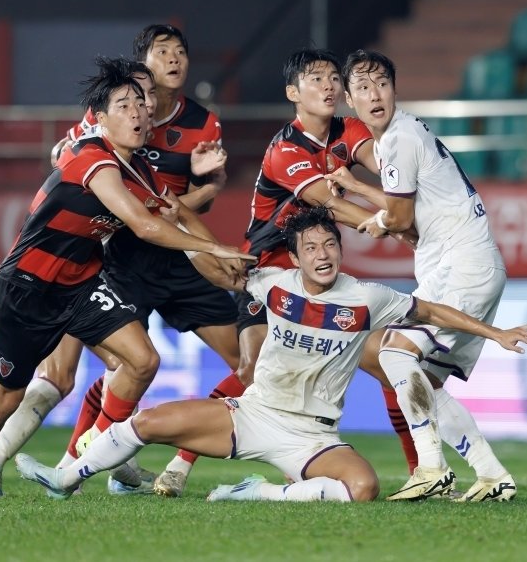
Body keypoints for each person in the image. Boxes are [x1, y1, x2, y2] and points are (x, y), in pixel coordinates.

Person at [14, 207, 527, 502]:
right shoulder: (272, 284)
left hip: (311, 435)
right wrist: (182, 223)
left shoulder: (366, 297)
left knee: (362, 489)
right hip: (251, 415)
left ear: (341, 250)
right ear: (295, 257)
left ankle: (258, 493)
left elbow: (431, 312)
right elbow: (214, 260)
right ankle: (66, 479)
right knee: (150, 421)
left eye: (330, 245)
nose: (322, 255)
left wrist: (494, 333)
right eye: (311, 248)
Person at [0, 59, 253, 502]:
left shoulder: (141, 172)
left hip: (81, 286)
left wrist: (228, 262)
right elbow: (145, 225)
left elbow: (179, 218)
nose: (136, 113)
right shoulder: (91, 156)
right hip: (28, 287)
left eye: (140, 105)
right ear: (99, 118)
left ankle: (98, 440)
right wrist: (218, 249)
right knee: (6, 399)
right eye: (123, 105)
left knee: (142, 361)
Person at [148, 48, 420, 498]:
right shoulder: (284, 149)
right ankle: (181, 461)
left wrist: (403, 185)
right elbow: (329, 203)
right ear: (293, 93)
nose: (330, 86)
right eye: (316, 79)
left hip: (316, 270)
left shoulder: (348, 130)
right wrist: (390, 223)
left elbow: (383, 165)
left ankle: (421, 472)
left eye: (335, 78)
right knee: (252, 367)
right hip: (268, 270)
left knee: (388, 363)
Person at [329, 49, 515, 502]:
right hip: (466, 264)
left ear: (395, 88)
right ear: (351, 101)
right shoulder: (403, 135)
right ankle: (492, 475)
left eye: (382, 84)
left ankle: (430, 466)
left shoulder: (399, 137)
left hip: (462, 266)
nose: (375, 95)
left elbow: (397, 217)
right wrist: (358, 189)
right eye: (364, 88)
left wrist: (368, 217)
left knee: (391, 351)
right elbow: (408, 213)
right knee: (424, 382)